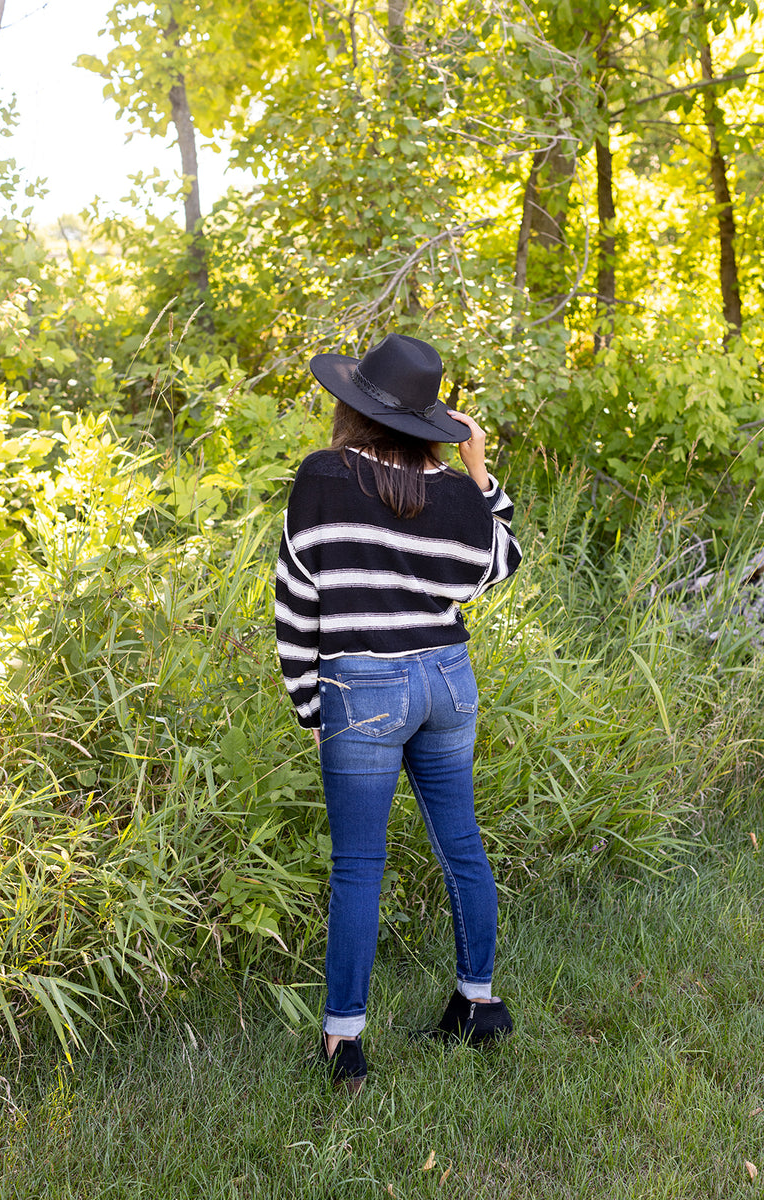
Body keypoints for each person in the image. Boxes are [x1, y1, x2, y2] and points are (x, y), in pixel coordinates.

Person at [275, 332, 522, 1093]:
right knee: (463, 846)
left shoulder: (322, 476)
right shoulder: (452, 494)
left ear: (356, 407)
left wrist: (308, 700)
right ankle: (479, 1003)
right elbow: (500, 563)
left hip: (364, 688)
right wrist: (479, 470)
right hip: (448, 680)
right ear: (424, 422)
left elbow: (295, 596)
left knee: (359, 869)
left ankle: (344, 1042)